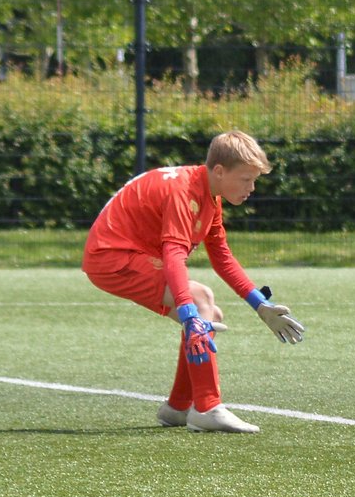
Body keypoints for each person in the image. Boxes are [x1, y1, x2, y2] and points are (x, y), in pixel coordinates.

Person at [82, 130, 306, 434]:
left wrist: (261, 306)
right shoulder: (183, 191)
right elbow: (174, 253)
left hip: (127, 254)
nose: (251, 188)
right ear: (219, 171)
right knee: (200, 302)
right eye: (245, 179)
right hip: (111, 258)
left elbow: (222, 257)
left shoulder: (210, 196)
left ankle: (177, 407)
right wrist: (188, 311)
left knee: (212, 315)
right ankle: (207, 408)